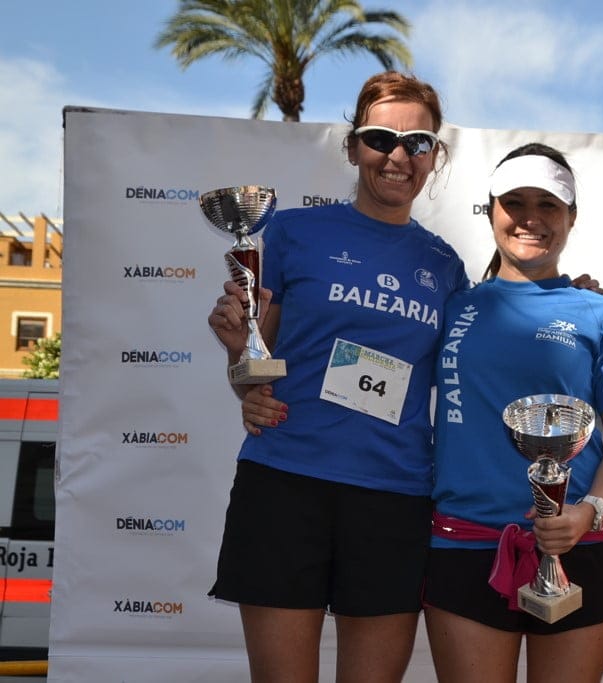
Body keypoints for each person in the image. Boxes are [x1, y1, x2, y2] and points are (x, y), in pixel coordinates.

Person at [206, 71, 469, 683]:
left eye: (418, 143)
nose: (398, 156)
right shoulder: (294, 231)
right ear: (353, 146)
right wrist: (239, 372)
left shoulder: (445, 264)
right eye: (381, 138)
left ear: (434, 157)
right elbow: (258, 351)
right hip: (285, 480)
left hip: (394, 494)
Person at [423, 143, 603, 682]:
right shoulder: (452, 305)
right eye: (515, 202)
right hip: (465, 543)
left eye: (548, 205)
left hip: (578, 544)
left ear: (571, 218)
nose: (531, 218)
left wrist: (588, 510)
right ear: (492, 210)